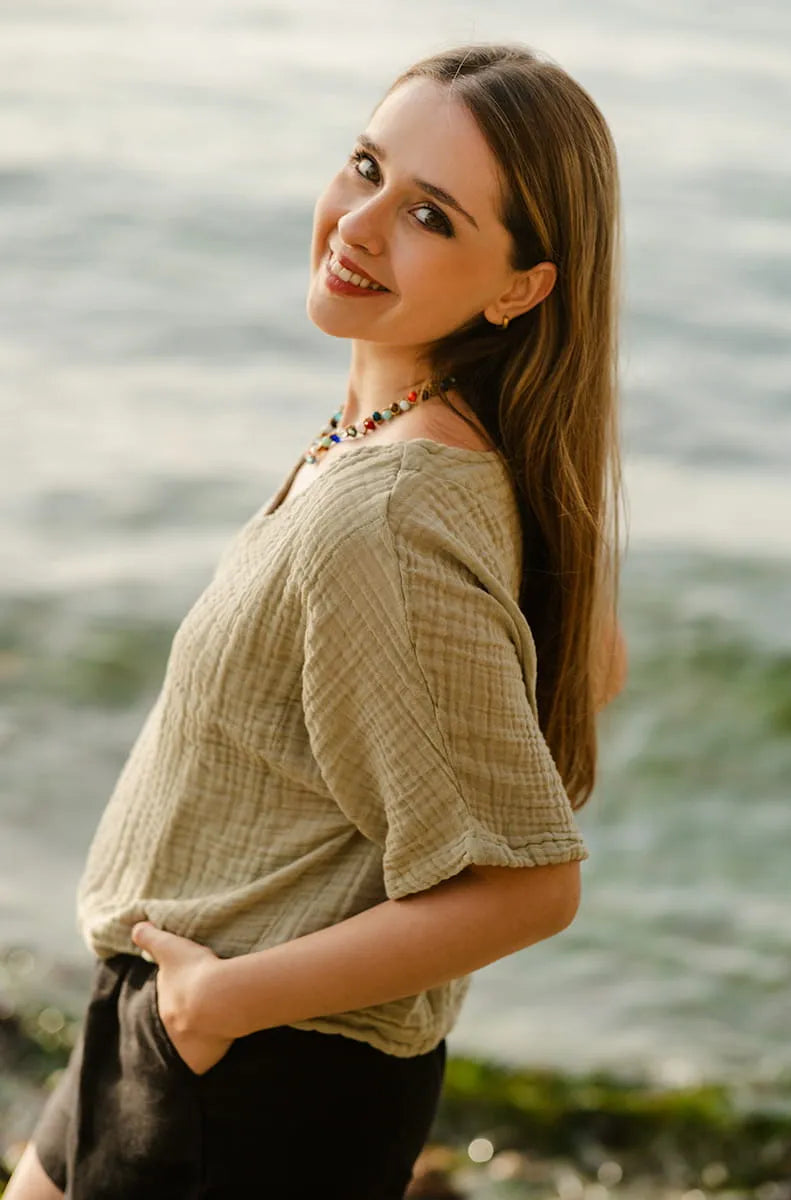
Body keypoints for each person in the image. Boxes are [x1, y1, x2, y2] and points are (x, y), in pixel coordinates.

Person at [8, 41, 627, 1200]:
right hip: (183, 1020)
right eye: (364, 166)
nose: (359, 222)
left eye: (431, 216)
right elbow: (592, 665)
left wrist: (218, 1004)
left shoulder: (387, 508)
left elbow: (527, 884)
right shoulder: (418, 442)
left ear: (518, 288)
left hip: (247, 1063)